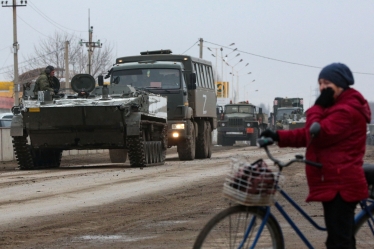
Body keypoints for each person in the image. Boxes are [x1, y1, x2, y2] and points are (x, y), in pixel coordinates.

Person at [261, 63, 371, 249]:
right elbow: (308, 133)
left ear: (340, 84)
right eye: (320, 83)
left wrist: (317, 107)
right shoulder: (336, 106)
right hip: (333, 180)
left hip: (342, 184)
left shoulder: (347, 110)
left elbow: (318, 135)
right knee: (338, 239)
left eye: (326, 83)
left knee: (339, 242)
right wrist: (277, 136)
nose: (322, 88)